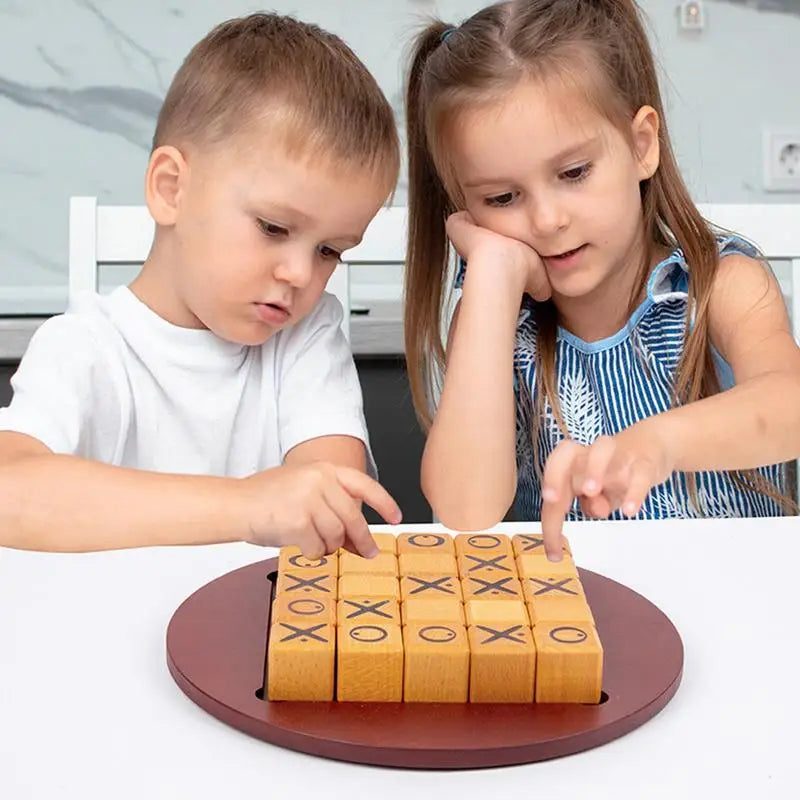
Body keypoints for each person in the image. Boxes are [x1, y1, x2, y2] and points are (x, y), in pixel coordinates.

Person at [403, 0, 800, 558]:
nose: (546, 220)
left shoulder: (723, 284)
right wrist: (491, 274)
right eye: (501, 198)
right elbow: (463, 510)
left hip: (736, 597)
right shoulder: (498, 319)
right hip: (575, 621)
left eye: (573, 173)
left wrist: (659, 443)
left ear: (641, 146)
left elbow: (789, 403)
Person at [0, 13, 402, 556]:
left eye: (330, 250)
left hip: (263, 635)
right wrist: (247, 507)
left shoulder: (306, 335)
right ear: (171, 189)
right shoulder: (84, 347)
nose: (301, 274)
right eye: (273, 228)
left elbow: (328, 502)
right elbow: (11, 494)